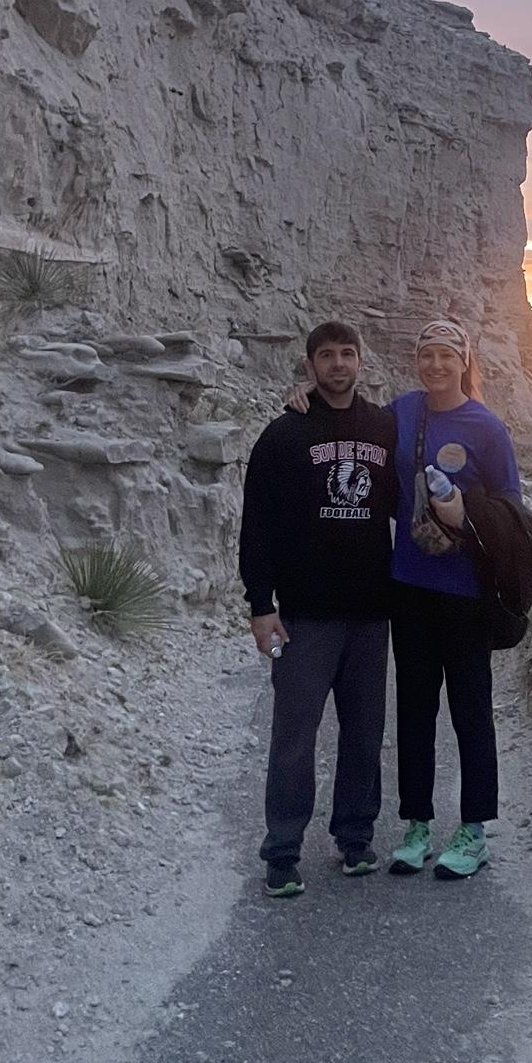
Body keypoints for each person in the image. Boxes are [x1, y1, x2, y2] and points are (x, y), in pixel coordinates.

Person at [288, 318, 521, 879]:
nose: (436, 366)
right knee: (414, 711)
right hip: (410, 586)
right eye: (427, 356)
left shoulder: (486, 427)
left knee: (470, 712)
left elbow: (513, 507)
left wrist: (465, 513)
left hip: (466, 591)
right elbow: (352, 428)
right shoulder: (403, 413)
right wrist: (306, 398)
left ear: (464, 361)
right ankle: (417, 824)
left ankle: (473, 830)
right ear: (417, 362)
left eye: (447, 355)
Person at [239, 321, 398, 896]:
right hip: (301, 617)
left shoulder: (384, 428)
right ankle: (282, 852)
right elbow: (256, 527)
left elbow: (405, 505)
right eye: (326, 355)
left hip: (369, 616)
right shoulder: (284, 434)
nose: (337, 364)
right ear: (309, 365)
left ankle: (354, 839)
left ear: (361, 361)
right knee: (293, 736)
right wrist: (261, 607)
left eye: (347, 354)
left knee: (363, 734)